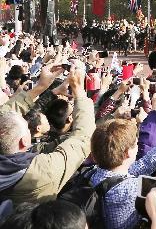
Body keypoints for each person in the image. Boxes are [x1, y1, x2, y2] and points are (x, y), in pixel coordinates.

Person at [0, 69, 95, 204]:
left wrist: (42, 87)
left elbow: (4, 115)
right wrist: (79, 91)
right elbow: (82, 139)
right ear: (24, 141)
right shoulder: (40, 171)